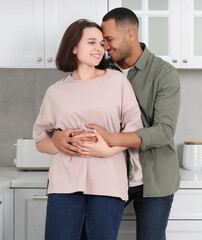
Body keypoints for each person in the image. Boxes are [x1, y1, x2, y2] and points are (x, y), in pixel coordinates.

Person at [51, 7, 181, 240]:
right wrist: (59, 136)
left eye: (108, 40)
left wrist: (111, 139)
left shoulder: (163, 73)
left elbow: (164, 131)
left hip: (154, 178)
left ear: (130, 34)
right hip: (109, 176)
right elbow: (72, 110)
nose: (104, 47)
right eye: (100, 41)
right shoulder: (100, 69)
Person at [33, 19, 143, 240]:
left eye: (102, 44)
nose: (99, 49)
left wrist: (107, 150)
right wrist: (58, 141)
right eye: (92, 42)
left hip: (108, 183)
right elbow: (40, 140)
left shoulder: (117, 82)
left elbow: (135, 131)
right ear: (74, 47)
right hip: (64, 184)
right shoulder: (56, 91)